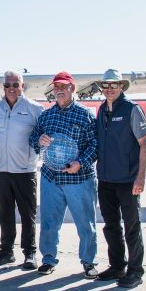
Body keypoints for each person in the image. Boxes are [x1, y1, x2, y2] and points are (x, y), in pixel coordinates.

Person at [29, 71, 99, 278]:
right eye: (56, 87)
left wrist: (81, 163)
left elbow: (95, 144)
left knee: (86, 224)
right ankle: (48, 259)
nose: (59, 90)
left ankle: (89, 262)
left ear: (72, 89)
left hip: (79, 178)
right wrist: (38, 141)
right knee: (49, 222)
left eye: (63, 86)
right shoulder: (46, 115)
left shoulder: (85, 115)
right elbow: (33, 139)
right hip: (52, 177)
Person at [94, 69, 146, 288]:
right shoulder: (101, 110)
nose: (109, 89)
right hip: (106, 180)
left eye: (113, 85)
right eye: (106, 86)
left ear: (121, 87)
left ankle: (135, 271)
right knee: (111, 226)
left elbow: (144, 144)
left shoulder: (132, 110)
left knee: (131, 227)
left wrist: (140, 178)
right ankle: (117, 266)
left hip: (127, 181)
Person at [0, 70, 44, 269]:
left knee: (28, 214)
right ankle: (6, 250)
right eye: (7, 85)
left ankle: (30, 252)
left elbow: (45, 136)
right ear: (3, 87)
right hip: (2, 170)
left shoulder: (35, 109)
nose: (11, 88)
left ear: (22, 86)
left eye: (15, 85)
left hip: (25, 171)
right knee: (5, 213)